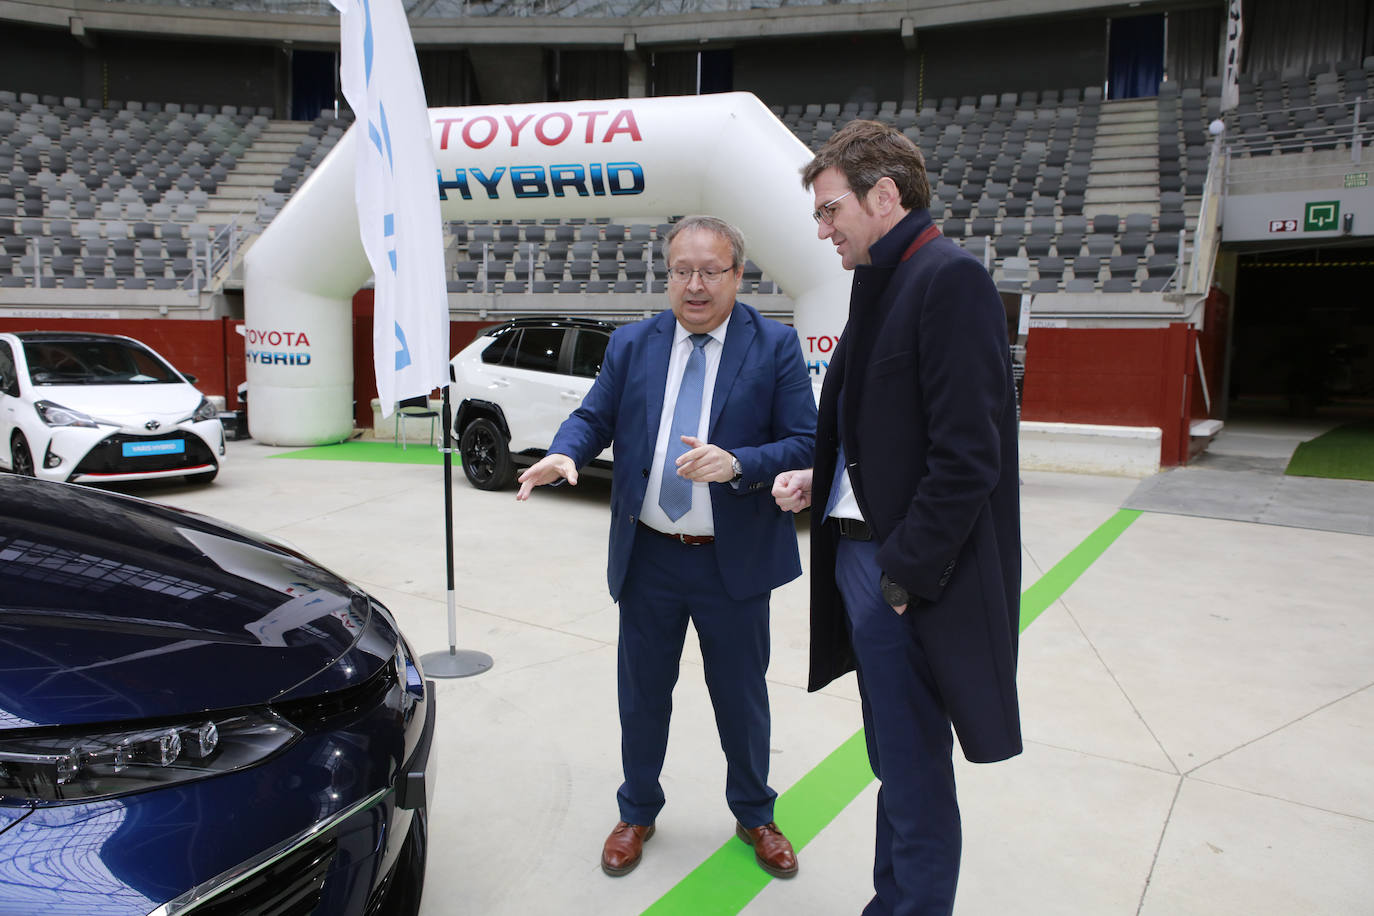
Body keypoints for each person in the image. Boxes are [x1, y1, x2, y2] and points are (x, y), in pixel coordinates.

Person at [517, 215, 817, 880]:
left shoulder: (775, 346)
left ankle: (755, 814)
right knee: (642, 695)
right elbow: (593, 415)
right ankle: (637, 810)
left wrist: (738, 462)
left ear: (739, 275)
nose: (696, 284)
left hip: (730, 562)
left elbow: (807, 440)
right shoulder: (633, 344)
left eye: (711, 270)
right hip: (649, 555)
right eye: (682, 270)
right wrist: (565, 453)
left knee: (741, 696)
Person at [772, 120, 1023, 915]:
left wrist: (904, 575)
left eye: (829, 209)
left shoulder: (948, 280)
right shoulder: (884, 281)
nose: (822, 229)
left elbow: (968, 458)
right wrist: (826, 481)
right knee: (895, 761)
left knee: (913, 771)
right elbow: (887, 433)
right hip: (862, 557)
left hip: (901, 572)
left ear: (885, 196)